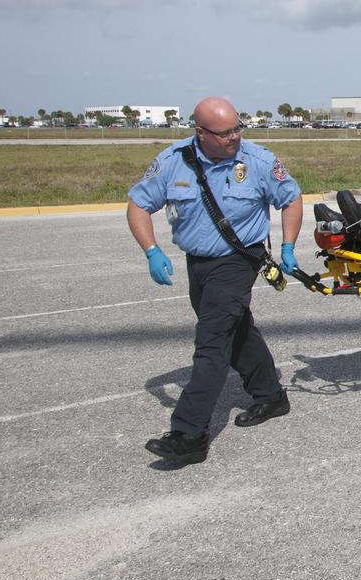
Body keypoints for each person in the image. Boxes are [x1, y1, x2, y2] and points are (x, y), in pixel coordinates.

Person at [127, 97, 302, 464]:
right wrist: (151, 250)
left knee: (211, 343)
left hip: (238, 261)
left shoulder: (257, 161)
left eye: (238, 128)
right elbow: (139, 204)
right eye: (225, 133)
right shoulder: (174, 160)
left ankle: (189, 433)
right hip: (198, 262)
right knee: (236, 329)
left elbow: (291, 198)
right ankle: (270, 396)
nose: (234, 138)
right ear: (201, 132)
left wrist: (288, 246)